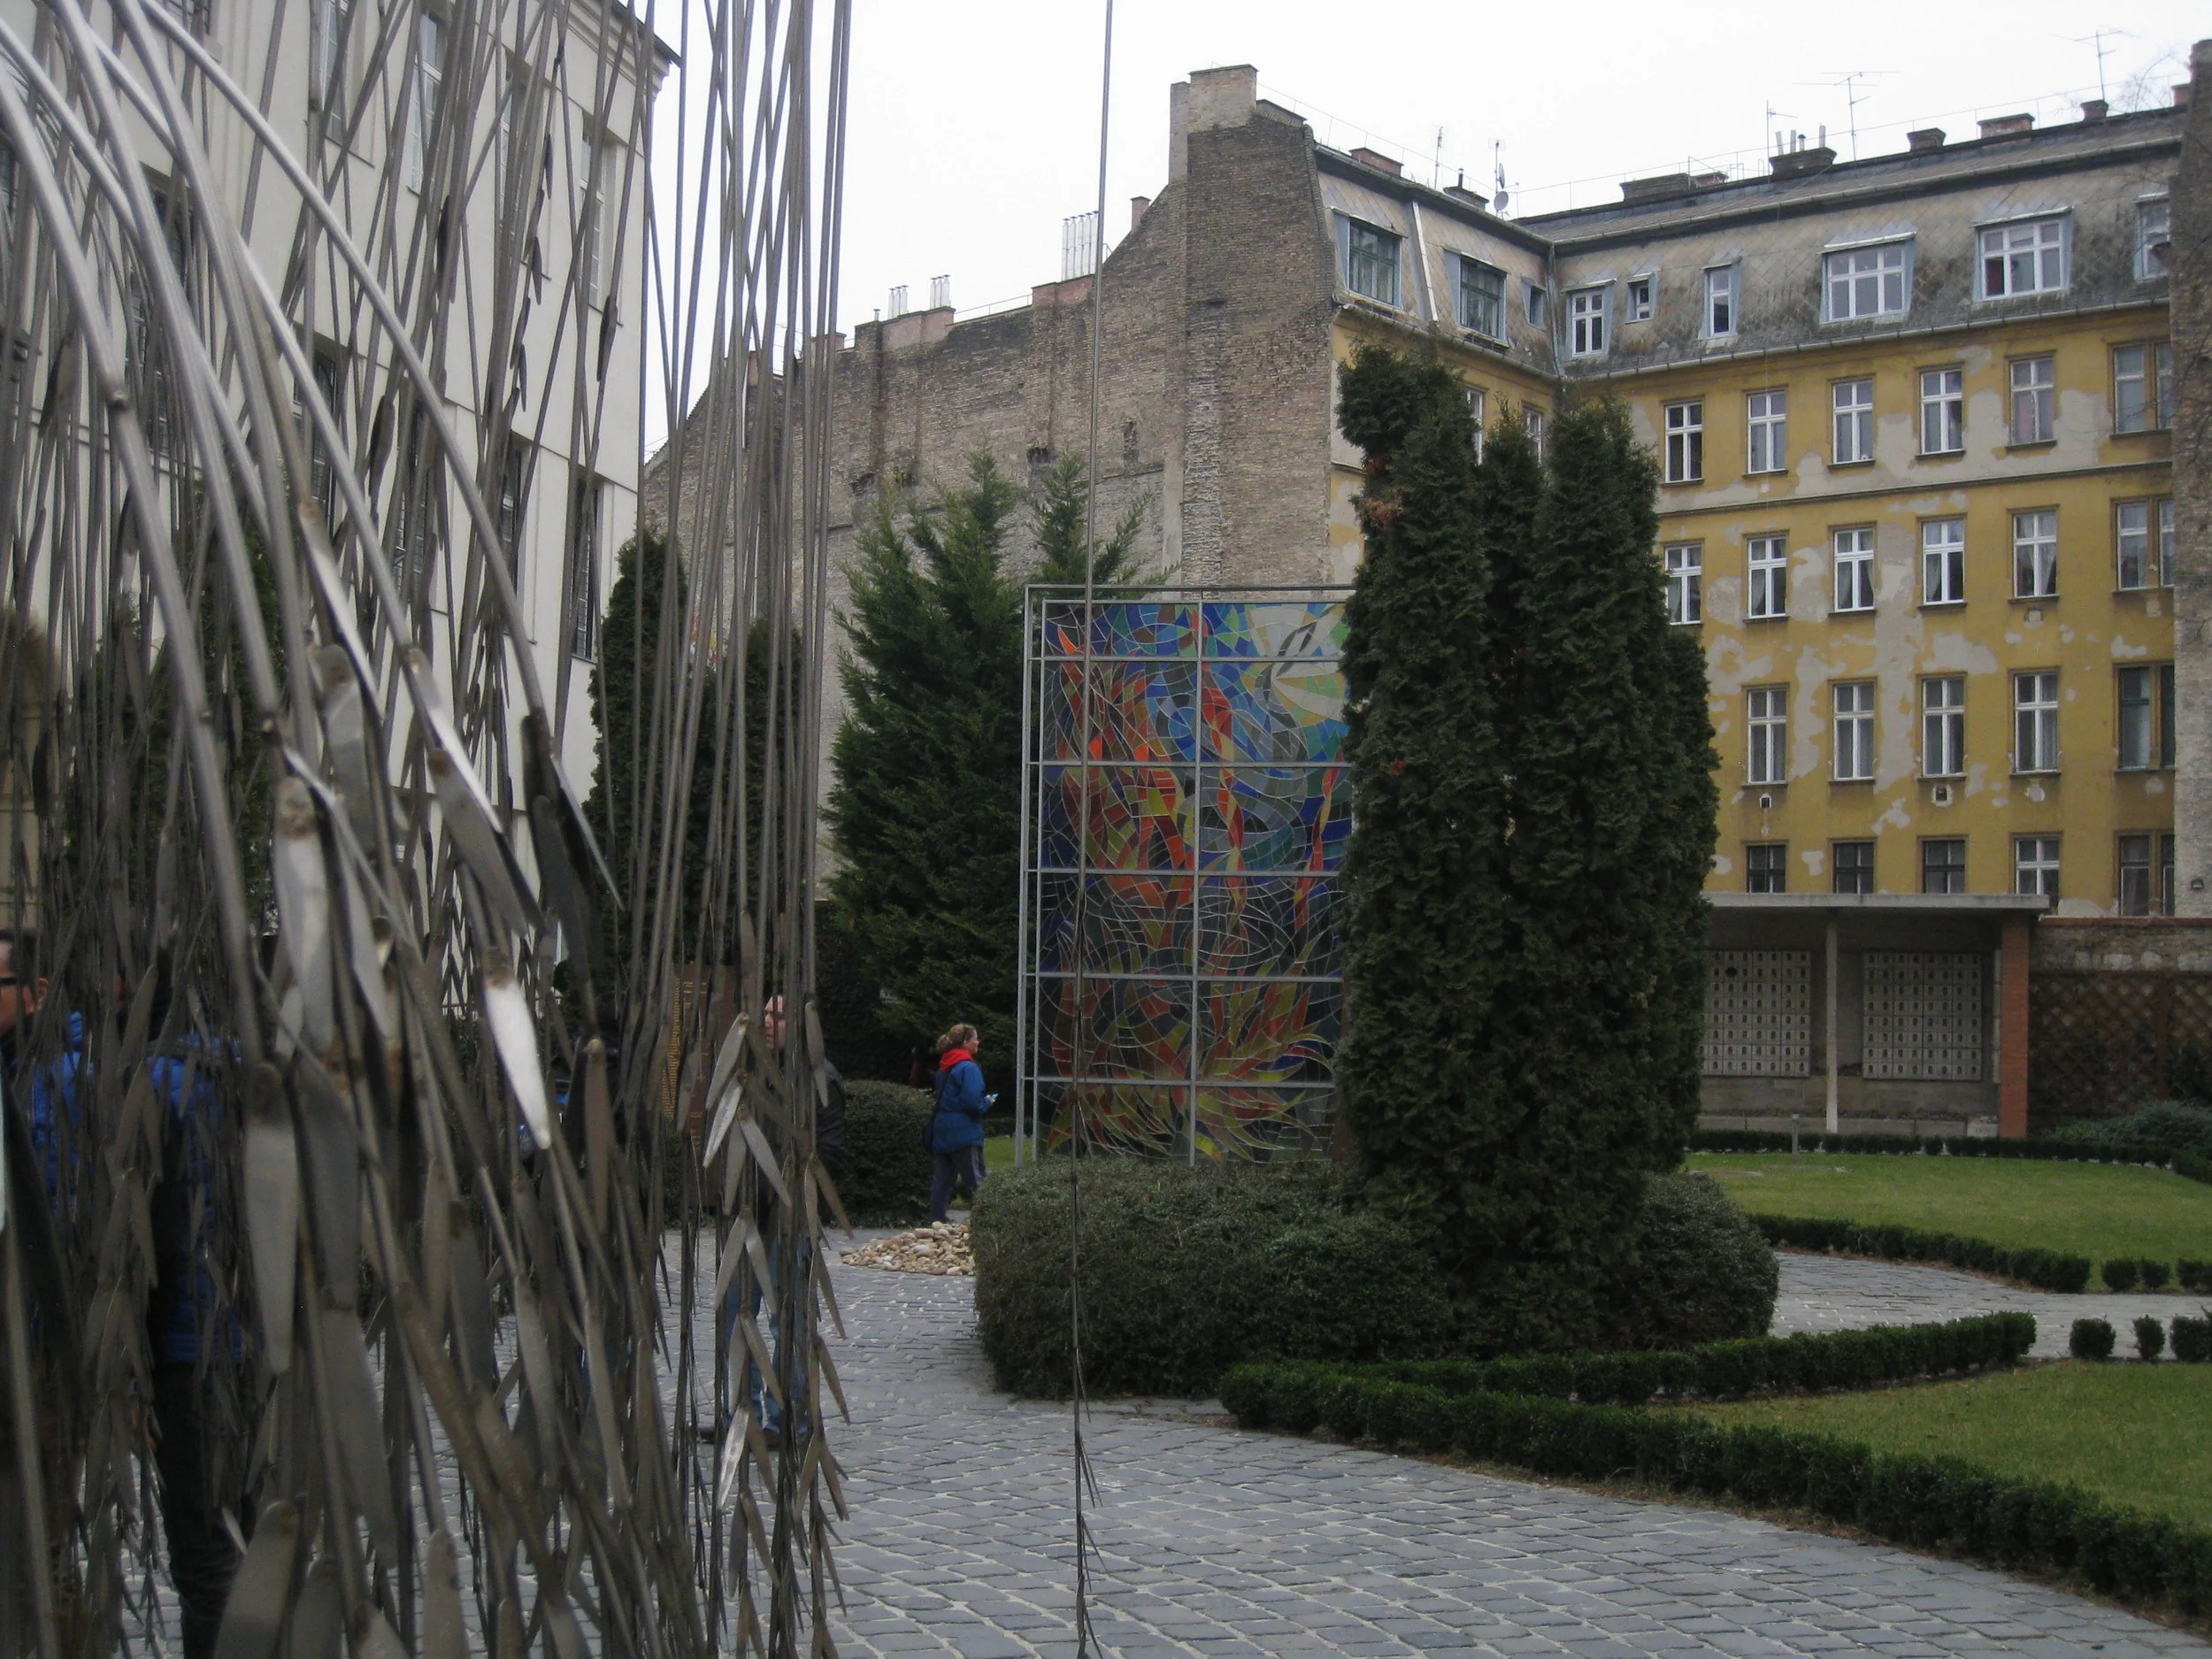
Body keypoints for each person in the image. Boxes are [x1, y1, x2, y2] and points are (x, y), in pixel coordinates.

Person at [927, 1024, 988, 1224]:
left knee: (942, 1180)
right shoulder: (968, 1067)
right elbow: (972, 1101)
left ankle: (937, 1221)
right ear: (965, 1043)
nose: (978, 1042)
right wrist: (986, 1103)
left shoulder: (944, 1067)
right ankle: (988, 1220)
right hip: (964, 1131)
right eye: (975, 1038)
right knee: (977, 1181)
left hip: (942, 1129)